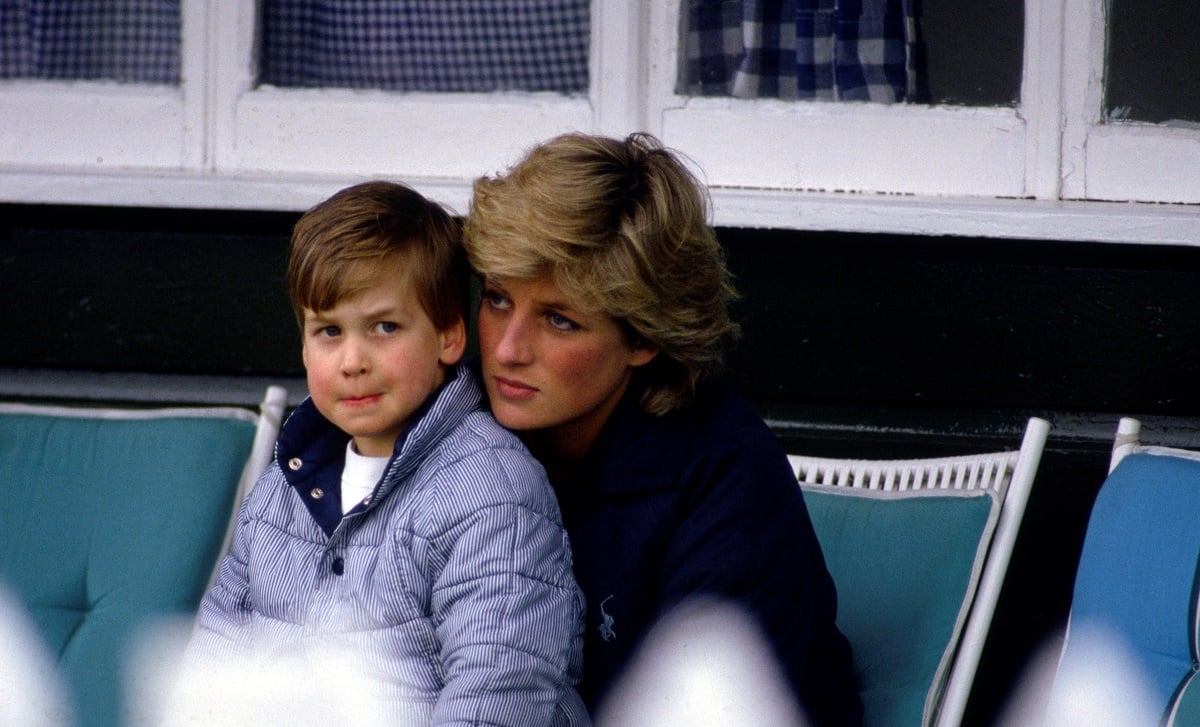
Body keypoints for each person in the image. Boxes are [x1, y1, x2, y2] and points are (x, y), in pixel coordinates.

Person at [463, 133, 862, 726]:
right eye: (497, 299)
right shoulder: (455, 421)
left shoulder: (727, 478)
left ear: (645, 338)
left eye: (559, 320)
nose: (508, 349)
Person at [181, 181, 589, 726]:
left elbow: (498, 690)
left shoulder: (492, 492)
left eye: (384, 327)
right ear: (303, 347)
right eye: (329, 331)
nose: (353, 361)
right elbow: (218, 652)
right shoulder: (287, 483)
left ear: (449, 336)